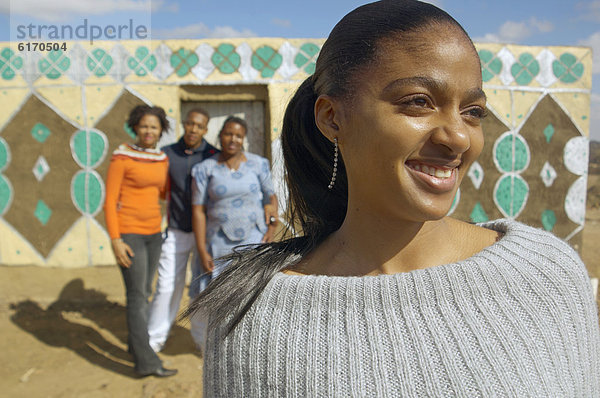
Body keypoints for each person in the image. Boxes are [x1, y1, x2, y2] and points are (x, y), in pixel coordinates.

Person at [185, 1, 600, 396]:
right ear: (332, 117)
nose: (457, 136)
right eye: (419, 102)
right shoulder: (252, 320)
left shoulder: (546, 275)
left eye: (473, 111)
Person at [104, 105, 177, 378]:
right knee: (136, 296)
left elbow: (162, 192)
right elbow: (109, 201)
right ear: (136, 127)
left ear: (161, 131)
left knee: (144, 291)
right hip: (129, 234)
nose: (149, 131)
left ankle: (136, 346)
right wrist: (115, 240)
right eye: (145, 126)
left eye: (154, 127)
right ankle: (147, 362)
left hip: (153, 234)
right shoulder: (122, 156)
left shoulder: (161, 159)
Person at [147, 108, 218, 353]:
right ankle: (153, 341)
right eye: (190, 124)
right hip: (176, 232)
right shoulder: (167, 154)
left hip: (205, 235)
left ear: (205, 130)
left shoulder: (213, 156)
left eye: (199, 126)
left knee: (200, 289)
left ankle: (201, 341)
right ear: (184, 125)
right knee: (167, 286)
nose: (193, 130)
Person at [191, 116, 278, 290]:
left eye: (238, 136)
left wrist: (272, 228)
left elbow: (271, 197)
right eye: (228, 134)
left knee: (251, 291)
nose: (233, 139)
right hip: (218, 241)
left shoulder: (258, 164)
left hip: (254, 237)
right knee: (219, 295)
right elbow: (198, 210)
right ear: (220, 136)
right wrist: (201, 249)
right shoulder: (205, 168)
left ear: (243, 139)